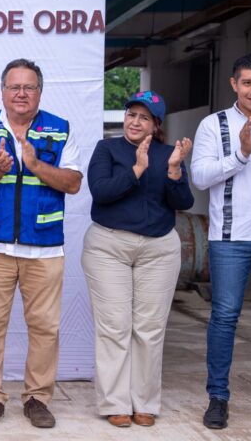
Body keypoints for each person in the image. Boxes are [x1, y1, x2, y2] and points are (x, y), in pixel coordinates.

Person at [0, 58, 82, 429]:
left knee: (45, 328)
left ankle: (37, 398)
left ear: (40, 92)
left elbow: (73, 182)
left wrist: (34, 164)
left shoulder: (59, 129)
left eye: (29, 87)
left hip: (44, 249)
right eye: (14, 87)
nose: (21, 93)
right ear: (3, 91)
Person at [81, 91, 194, 428]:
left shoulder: (169, 153)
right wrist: (137, 170)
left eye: (144, 117)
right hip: (109, 247)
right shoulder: (107, 149)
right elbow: (101, 192)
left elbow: (183, 201)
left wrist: (173, 170)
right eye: (132, 114)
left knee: (149, 329)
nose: (135, 121)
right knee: (115, 327)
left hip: (158, 249)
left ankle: (144, 401)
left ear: (156, 125)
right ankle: (115, 402)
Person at [192, 53, 251, 430]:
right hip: (229, 238)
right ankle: (219, 398)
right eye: (247, 82)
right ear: (233, 85)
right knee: (224, 318)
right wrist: (240, 154)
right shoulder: (214, 125)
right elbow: (199, 177)